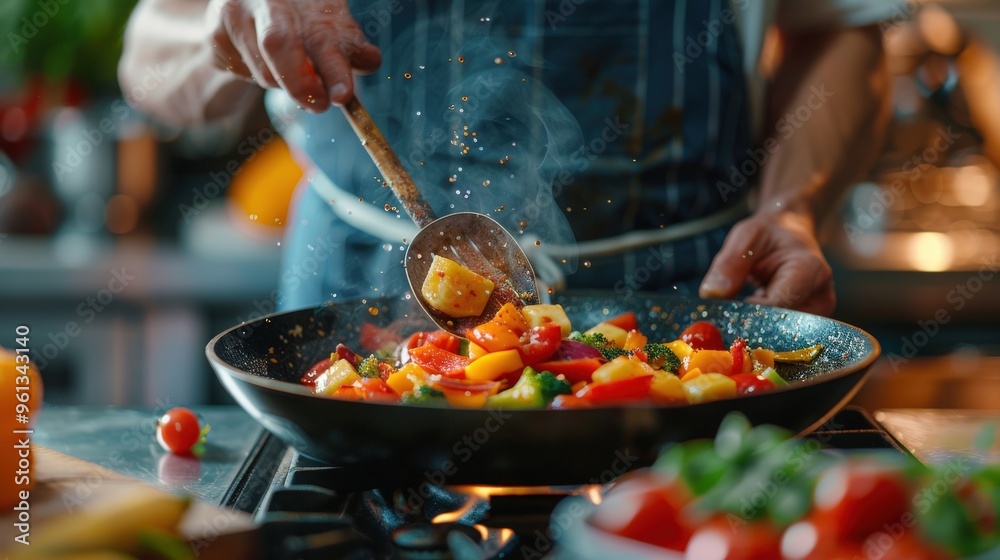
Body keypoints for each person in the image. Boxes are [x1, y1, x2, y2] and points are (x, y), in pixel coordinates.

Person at [119, 0, 898, 316]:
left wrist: (792, 203)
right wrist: (224, 27)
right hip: (355, 297)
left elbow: (842, 28)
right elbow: (148, 65)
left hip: (689, 302)